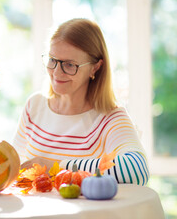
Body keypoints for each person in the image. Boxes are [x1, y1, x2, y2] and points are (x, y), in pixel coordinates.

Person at [12, 18, 149, 185]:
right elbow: (14, 168)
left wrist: (55, 167)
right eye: (52, 60)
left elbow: (135, 171)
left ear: (95, 67)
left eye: (69, 65)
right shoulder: (34, 106)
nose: (56, 72)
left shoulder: (110, 117)